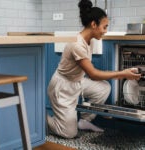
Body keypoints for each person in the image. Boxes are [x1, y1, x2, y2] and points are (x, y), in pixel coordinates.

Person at [47, 0, 141, 139]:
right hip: (63, 88)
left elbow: (91, 74)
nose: (105, 31)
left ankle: (85, 121)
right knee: (69, 133)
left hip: (77, 82)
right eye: (104, 27)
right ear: (93, 24)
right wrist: (123, 74)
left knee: (103, 88)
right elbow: (93, 74)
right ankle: (41, 117)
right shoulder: (77, 44)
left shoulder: (89, 40)